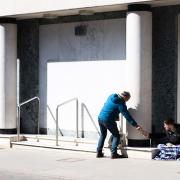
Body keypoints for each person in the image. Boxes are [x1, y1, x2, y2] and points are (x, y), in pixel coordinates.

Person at [97, 91, 145, 159]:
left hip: (100, 118)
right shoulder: (121, 104)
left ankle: (99, 152)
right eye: (128, 99)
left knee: (103, 134)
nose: (127, 101)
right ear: (125, 97)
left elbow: (107, 105)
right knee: (116, 135)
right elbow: (127, 116)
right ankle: (114, 154)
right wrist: (136, 125)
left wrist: (115, 115)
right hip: (108, 120)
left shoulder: (111, 96)